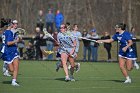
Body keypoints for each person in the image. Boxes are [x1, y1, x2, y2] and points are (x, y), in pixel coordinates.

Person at [1, 19, 21, 86]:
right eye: (13, 23)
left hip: (11, 50)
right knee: (12, 69)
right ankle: (6, 65)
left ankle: (14, 81)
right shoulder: (8, 32)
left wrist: (17, 38)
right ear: (10, 25)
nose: (14, 25)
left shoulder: (5, 32)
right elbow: (8, 43)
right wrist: (16, 41)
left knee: (16, 67)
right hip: (9, 51)